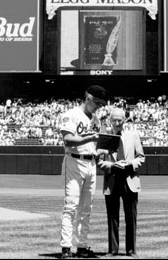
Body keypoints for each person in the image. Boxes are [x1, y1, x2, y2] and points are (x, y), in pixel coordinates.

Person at [59, 85, 108, 259]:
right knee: (71, 206)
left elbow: (95, 145)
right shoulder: (71, 114)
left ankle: (81, 247)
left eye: (101, 104)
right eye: (97, 102)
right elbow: (68, 140)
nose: (98, 107)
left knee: (86, 208)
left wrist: (103, 151)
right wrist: (91, 137)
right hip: (74, 161)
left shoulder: (96, 120)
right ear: (88, 97)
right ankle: (66, 248)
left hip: (91, 163)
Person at [97, 107, 145, 258]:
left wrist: (130, 164)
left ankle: (131, 250)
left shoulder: (133, 135)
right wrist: (112, 166)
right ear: (110, 121)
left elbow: (141, 157)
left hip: (129, 179)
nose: (117, 123)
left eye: (120, 120)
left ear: (125, 120)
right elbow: (98, 161)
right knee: (112, 217)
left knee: (131, 217)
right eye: (114, 120)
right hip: (112, 179)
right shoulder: (105, 138)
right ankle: (113, 250)